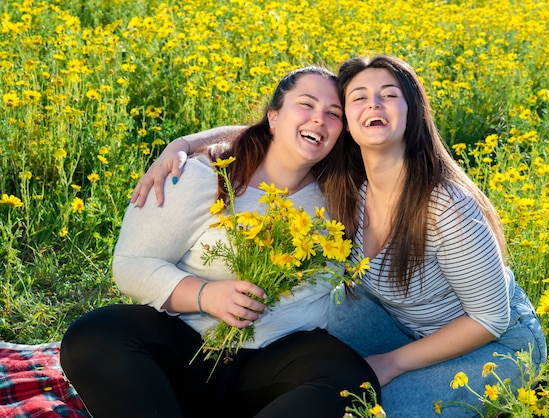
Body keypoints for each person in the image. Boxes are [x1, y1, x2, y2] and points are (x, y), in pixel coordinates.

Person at [132, 55, 547, 417]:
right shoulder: (348, 180)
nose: (375, 104)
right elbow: (276, 128)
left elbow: (490, 318)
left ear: (413, 112)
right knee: (305, 357)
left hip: (496, 341)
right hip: (395, 320)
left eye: (389, 94)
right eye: (359, 97)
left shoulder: (443, 205)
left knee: (365, 410)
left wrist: (391, 363)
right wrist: (183, 144)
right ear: (346, 121)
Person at [60, 66, 380, 418]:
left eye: (333, 114)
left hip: (278, 362)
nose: (319, 119)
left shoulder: (341, 195)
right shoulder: (201, 175)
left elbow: (393, 150)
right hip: (188, 350)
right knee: (93, 336)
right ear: (273, 117)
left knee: (353, 382)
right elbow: (131, 264)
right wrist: (204, 295)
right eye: (306, 104)